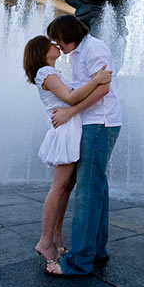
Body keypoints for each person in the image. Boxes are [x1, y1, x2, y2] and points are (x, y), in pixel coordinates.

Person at [22, 35, 112, 269]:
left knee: (65, 188)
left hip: (70, 129)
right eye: (51, 43)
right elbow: (70, 98)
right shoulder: (45, 73)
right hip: (64, 131)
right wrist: (98, 79)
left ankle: (57, 239)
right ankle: (45, 241)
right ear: (42, 51)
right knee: (59, 188)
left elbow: (71, 98)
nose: (56, 45)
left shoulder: (53, 72)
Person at [44, 15, 122, 276]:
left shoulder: (95, 48)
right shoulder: (76, 54)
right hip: (91, 122)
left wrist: (68, 113)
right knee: (96, 187)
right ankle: (96, 252)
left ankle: (78, 262)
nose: (58, 44)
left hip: (99, 123)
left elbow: (103, 89)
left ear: (68, 33)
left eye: (59, 39)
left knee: (87, 191)